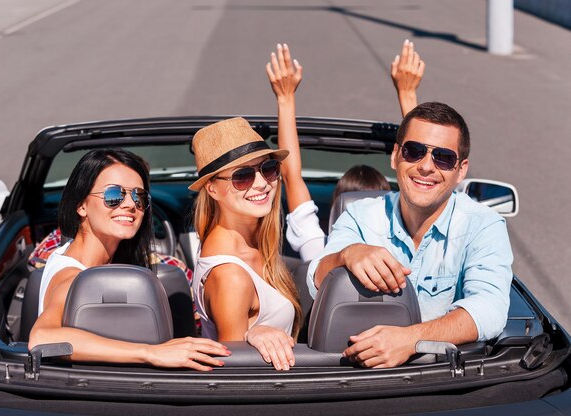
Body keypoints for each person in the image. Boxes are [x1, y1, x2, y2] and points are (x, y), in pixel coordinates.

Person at [306, 102, 513, 368]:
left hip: (439, 378)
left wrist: (410, 340)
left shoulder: (484, 225)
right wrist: (347, 255)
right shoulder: (359, 215)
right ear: (395, 156)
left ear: (461, 170)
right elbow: (316, 279)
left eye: (443, 157)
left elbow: (490, 310)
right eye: (414, 151)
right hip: (351, 373)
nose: (426, 167)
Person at [28, 149, 229, 371]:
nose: (130, 204)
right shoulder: (72, 277)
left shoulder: (67, 253)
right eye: (113, 195)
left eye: (139, 197)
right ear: (81, 205)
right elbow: (42, 338)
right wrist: (150, 352)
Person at [265, 41, 422, 261]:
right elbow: (422, 175)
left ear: (337, 211)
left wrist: (285, 98)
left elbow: (291, 177)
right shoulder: (409, 251)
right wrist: (407, 94)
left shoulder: (320, 251)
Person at [190, 117, 302, 371]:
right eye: (242, 176)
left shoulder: (251, 245)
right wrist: (251, 335)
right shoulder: (231, 276)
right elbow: (233, 374)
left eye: (268, 168)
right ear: (212, 189)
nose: (262, 183)